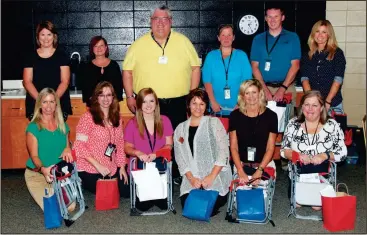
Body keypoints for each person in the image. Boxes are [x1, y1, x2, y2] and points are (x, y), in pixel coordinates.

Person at [123, 5, 201, 182]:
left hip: (179, 101)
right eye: (156, 19)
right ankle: (154, 174)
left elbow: (196, 68)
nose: (160, 23)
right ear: (150, 22)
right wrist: (129, 96)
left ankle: (178, 174)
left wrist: (192, 96)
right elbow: (127, 72)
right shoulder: (138, 44)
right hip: (148, 104)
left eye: (164, 19)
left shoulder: (183, 42)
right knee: (150, 139)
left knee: (179, 139)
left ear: (171, 22)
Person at [280, 90, 347, 210]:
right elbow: (283, 151)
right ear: (302, 106)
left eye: (314, 105)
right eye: (306, 104)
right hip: (299, 174)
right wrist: (297, 155)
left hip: (322, 174)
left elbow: (342, 153)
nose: (310, 109)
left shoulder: (332, 125)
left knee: (317, 206)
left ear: (321, 108)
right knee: (297, 204)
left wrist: (324, 155)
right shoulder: (292, 124)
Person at [174, 88, 232, 216]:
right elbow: (179, 157)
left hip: (214, 176)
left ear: (206, 106)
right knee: (190, 206)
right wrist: (192, 179)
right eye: (194, 103)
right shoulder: (180, 128)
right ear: (188, 105)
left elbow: (223, 152)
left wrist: (211, 177)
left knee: (205, 206)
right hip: (192, 178)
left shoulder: (214, 123)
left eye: (202, 104)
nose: (198, 107)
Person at [72, 81, 129, 198]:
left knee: (125, 192)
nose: (105, 99)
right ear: (96, 97)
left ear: (113, 97)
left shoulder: (117, 117)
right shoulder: (88, 117)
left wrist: (122, 167)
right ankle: (81, 180)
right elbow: (79, 145)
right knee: (108, 194)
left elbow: (119, 143)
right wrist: (98, 165)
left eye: (108, 95)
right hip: (90, 165)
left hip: (110, 165)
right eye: (101, 95)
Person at [124, 87, 174, 211]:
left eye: (151, 101)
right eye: (144, 101)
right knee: (143, 206)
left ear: (156, 103)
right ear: (139, 104)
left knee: (163, 205)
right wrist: (138, 152)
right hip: (141, 166)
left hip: (159, 163)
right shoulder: (132, 123)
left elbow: (169, 145)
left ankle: (156, 193)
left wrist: (156, 154)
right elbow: (127, 147)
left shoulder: (165, 121)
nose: (148, 105)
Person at [24, 87, 74, 210]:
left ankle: (51, 191)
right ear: (40, 104)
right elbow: (34, 156)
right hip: (37, 174)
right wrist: (43, 169)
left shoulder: (63, 125)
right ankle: (40, 190)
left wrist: (68, 148)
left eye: (52, 101)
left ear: (56, 104)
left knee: (70, 207)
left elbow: (67, 146)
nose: (48, 106)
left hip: (58, 174)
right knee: (54, 208)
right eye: (45, 101)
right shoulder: (33, 127)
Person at [229, 79, 278, 185]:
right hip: (241, 165)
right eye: (247, 93)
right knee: (241, 196)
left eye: (254, 92)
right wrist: (240, 170)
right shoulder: (234, 116)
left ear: (260, 93)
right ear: (242, 96)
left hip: (264, 165)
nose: (251, 96)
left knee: (261, 196)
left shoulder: (272, 116)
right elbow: (233, 147)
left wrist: (259, 170)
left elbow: (270, 148)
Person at [250, 5, 301, 105]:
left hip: (287, 88)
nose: (272, 20)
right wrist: (264, 89)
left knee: (286, 120)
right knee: (262, 120)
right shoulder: (258, 39)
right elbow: (254, 66)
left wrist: (282, 89)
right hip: (263, 89)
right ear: (265, 18)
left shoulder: (292, 38)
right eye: (269, 17)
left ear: (282, 18)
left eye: (276, 16)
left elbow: (295, 66)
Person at [23, 20, 72, 121]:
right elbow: (27, 82)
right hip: (36, 105)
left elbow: (65, 81)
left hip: (58, 105)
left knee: (58, 136)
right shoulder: (30, 56)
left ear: (54, 36)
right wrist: (42, 102)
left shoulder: (62, 56)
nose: (46, 38)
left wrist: (52, 102)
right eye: (42, 35)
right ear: (38, 36)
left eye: (49, 34)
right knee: (38, 136)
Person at [203, 24, 252, 116]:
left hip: (238, 107)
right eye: (223, 35)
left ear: (233, 37)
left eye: (229, 35)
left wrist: (240, 103)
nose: (226, 38)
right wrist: (212, 102)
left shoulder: (242, 56)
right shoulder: (211, 56)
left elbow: (247, 82)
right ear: (218, 38)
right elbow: (207, 81)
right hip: (215, 108)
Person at [300, 20, 346, 114]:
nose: (320, 35)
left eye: (324, 32)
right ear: (313, 34)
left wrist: (327, 102)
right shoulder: (307, 54)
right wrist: (312, 101)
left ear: (329, 35)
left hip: (333, 104)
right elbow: (305, 79)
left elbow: (338, 80)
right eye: (317, 31)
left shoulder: (337, 53)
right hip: (314, 104)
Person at [81, 36, 123, 107]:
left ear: (106, 47)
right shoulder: (86, 67)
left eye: (101, 45)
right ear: (92, 49)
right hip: (94, 107)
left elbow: (119, 88)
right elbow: (85, 90)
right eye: (96, 46)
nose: (99, 48)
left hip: (112, 106)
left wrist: (112, 103)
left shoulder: (114, 65)